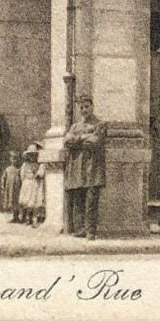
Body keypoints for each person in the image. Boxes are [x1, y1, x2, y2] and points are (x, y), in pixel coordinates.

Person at [63, 94, 106, 239]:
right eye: (81, 107)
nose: (84, 110)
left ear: (92, 107)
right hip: (77, 168)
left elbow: (95, 142)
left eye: (86, 107)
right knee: (78, 199)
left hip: (93, 167)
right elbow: (67, 142)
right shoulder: (75, 126)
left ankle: (90, 231)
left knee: (91, 201)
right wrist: (83, 138)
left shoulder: (100, 124)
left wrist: (77, 140)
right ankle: (80, 228)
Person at [18, 144, 46, 227]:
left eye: (34, 155)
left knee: (36, 201)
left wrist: (38, 175)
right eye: (30, 155)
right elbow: (22, 174)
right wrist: (25, 181)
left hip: (35, 183)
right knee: (27, 201)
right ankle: (28, 217)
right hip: (27, 183)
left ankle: (36, 218)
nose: (32, 157)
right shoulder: (25, 165)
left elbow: (41, 172)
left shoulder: (40, 164)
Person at [0, 145, 24, 223]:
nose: (15, 160)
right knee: (11, 202)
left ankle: (19, 216)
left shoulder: (19, 169)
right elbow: (4, 179)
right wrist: (3, 186)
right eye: (13, 158)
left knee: (17, 202)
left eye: (17, 159)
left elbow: (22, 178)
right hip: (10, 189)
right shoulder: (8, 169)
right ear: (10, 159)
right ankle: (14, 217)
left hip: (17, 189)